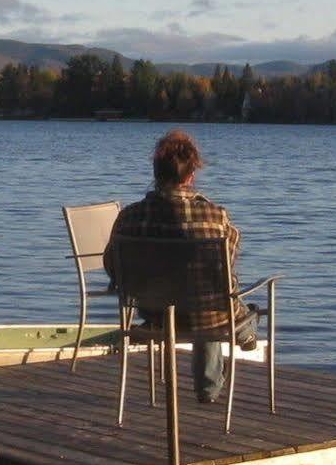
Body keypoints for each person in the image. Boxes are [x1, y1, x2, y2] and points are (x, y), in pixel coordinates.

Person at [106, 129, 254, 404]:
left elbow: (111, 265)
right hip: (209, 315)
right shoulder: (216, 215)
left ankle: (242, 330)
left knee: (203, 300)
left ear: (156, 172)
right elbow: (226, 270)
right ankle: (243, 335)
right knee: (218, 304)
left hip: (155, 315)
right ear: (191, 175)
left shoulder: (129, 217)